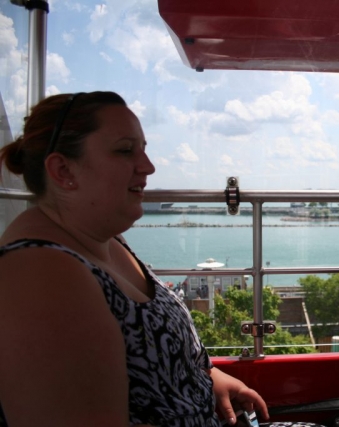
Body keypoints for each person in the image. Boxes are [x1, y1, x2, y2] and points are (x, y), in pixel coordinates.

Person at [0, 92, 270, 427]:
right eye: (126, 150)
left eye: (143, 149)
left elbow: (147, 362)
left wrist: (210, 379)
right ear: (63, 169)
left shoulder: (105, 240)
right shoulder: (39, 276)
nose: (149, 166)